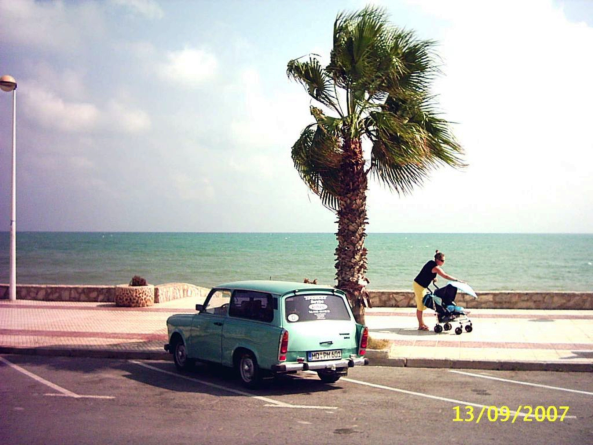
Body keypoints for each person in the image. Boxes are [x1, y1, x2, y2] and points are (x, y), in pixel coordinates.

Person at [413, 250, 462, 331]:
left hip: (421, 285)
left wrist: (433, 278)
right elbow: (445, 276)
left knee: (422, 305)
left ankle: (422, 323)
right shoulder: (436, 267)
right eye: (442, 261)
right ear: (438, 260)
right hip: (419, 286)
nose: (443, 262)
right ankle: (420, 325)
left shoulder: (431, 262)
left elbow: (428, 272)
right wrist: (457, 280)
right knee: (420, 306)